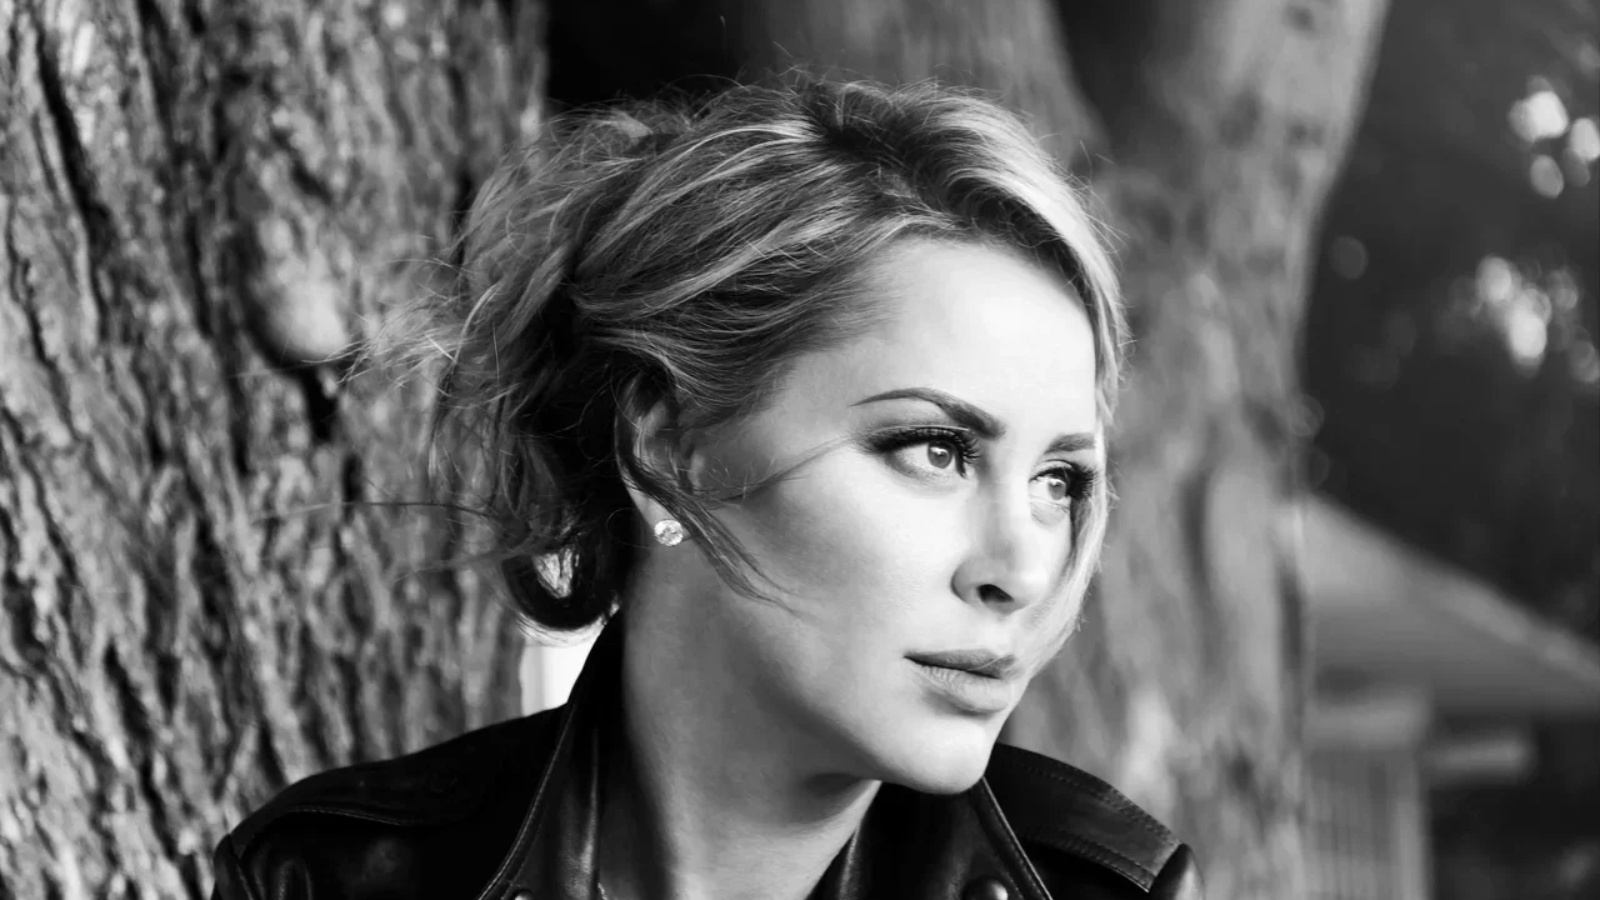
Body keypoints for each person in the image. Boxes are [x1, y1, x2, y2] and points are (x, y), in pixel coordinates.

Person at [209, 78, 1204, 900]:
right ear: (671, 447)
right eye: (936, 450)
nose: (1022, 570)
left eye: (1060, 480)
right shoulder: (324, 881)